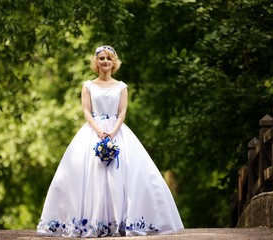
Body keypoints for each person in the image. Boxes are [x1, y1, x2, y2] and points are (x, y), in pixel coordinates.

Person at [36, 45, 184, 237]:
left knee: (124, 174)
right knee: (90, 174)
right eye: (101, 58)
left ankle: (122, 222)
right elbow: (86, 111)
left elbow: (122, 111)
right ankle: (92, 223)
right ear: (96, 62)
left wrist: (113, 131)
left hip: (117, 131)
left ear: (114, 62)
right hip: (92, 132)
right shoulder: (88, 86)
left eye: (108, 58)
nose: (105, 61)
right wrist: (98, 130)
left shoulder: (121, 86)